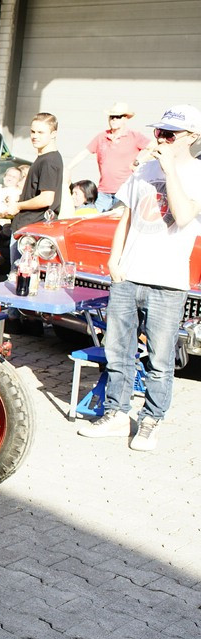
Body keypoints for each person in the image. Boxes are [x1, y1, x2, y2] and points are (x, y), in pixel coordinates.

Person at [78, 105, 201, 451]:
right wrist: (115, 262)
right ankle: (117, 414)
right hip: (129, 275)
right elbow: (126, 218)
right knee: (118, 350)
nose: (160, 139)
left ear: (191, 138)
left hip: (167, 281)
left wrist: (169, 170)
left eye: (169, 135)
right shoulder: (144, 169)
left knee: (160, 359)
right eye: (159, 132)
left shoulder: (195, 173)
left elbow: (182, 214)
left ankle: (151, 420)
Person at [66, 102, 149, 212]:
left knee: (120, 223)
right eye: (111, 117)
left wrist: (140, 161)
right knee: (95, 219)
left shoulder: (134, 136)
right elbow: (84, 153)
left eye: (118, 117)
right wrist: (67, 168)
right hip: (104, 193)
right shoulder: (102, 137)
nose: (114, 119)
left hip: (125, 191)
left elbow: (156, 148)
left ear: (126, 119)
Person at [6, 112, 63, 265]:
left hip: (31, 230)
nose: (35, 136)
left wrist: (18, 205)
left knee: (20, 278)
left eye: (40, 132)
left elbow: (46, 198)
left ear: (53, 134)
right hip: (27, 227)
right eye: (32, 131)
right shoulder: (45, 158)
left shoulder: (49, 161)